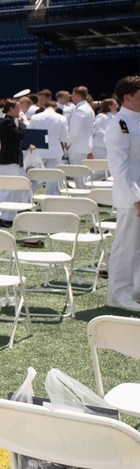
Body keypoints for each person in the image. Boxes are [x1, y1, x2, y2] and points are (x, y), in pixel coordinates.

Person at [105, 75, 140, 312]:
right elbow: (120, 167)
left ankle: (134, 290)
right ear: (127, 97)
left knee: (136, 247)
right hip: (132, 196)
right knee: (126, 246)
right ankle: (118, 294)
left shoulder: (135, 121)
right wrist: (136, 197)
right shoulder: (120, 124)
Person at [0, 99, 27, 228]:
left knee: (14, 190)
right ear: (10, 109)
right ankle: (0, 215)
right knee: (7, 189)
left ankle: (9, 216)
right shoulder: (6, 123)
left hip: (13, 159)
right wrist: (22, 125)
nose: (19, 110)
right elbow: (18, 136)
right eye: (17, 107)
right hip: (8, 160)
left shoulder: (10, 122)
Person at [27, 101, 69, 195]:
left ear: (44, 106)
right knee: (53, 178)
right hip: (55, 151)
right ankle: (52, 200)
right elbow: (64, 137)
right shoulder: (62, 118)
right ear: (55, 108)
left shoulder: (35, 117)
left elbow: (30, 134)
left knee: (34, 177)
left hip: (39, 151)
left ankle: (27, 201)